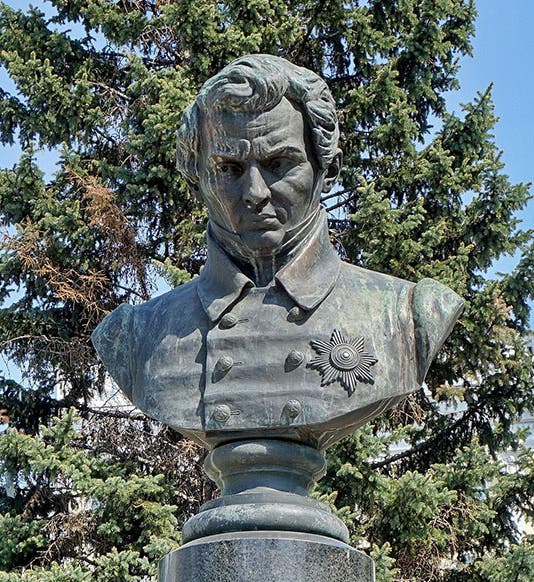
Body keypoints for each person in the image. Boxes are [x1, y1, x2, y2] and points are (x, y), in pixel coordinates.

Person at [92, 55, 463, 449]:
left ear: (327, 167)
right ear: (195, 177)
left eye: (278, 163)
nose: (254, 192)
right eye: (229, 168)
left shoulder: (407, 315)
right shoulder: (136, 336)